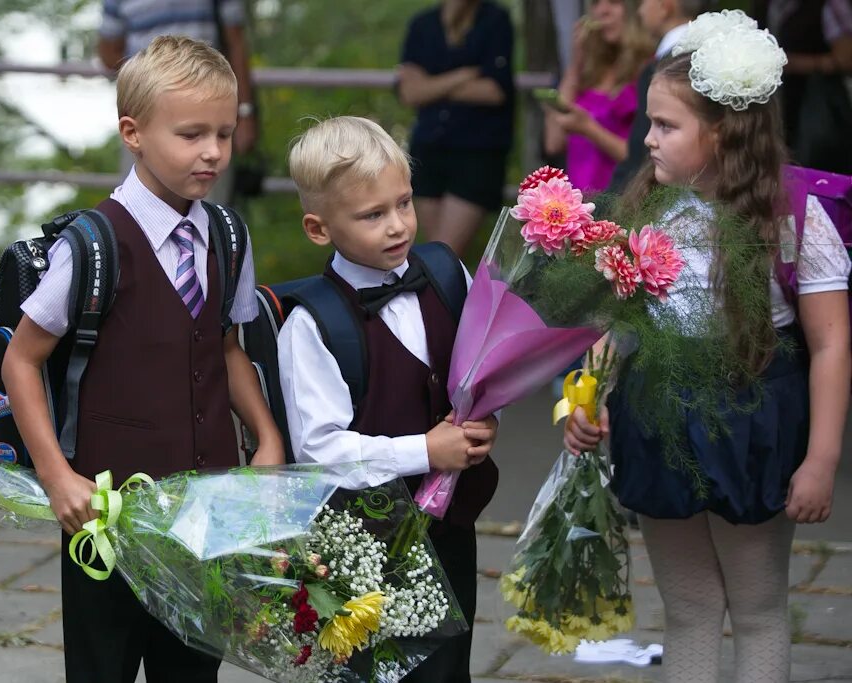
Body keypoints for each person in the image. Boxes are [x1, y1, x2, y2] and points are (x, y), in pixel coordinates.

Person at [565, 17, 850, 683]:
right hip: (657, 418)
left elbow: (832, 342)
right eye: (650, 122)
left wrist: (823, 458)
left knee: (755, 607)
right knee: (688, 605)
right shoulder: (650, 210)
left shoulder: (793, 217)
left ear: (720, 132)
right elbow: (624, 325)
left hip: (751, 419)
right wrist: (585, 397)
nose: (646, 139)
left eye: (665, 125)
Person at [1, 36, 284, 683]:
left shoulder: (228, 236)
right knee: (103, 667)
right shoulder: (94, 245)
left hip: (205, 516)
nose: (212, 151)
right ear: (133, 131)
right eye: (190, 134)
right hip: (106, 517)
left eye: (224, 131)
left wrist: (265, 437)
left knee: (192, 672)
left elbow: (227, 347)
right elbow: (21, 361)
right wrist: (58, 477)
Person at [280, 116, 500, 682]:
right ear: (318, 227)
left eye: (403, 203)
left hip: (450, 529)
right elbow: (320, 449)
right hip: (363, 549)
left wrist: (482, 420)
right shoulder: (313, 325)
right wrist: (425, 451)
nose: (398, 225)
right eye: (373, 215)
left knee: (450, 668)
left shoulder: (448, 273)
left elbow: (482, 367)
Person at [96, 0, 258, 200]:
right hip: (147, 109)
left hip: (207, 107)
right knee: (140, 205)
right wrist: (149, 79)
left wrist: (244, 113)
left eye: (224, 135)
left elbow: (236, 41)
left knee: (207, 207)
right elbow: (108, 52)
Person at [397, 0, 515, 257]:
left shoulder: (494, 20)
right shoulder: (422, 24)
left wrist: (431, 85)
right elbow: (410, 92)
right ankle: (442, 297)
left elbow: (494, 91)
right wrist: (464, 75)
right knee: (434, 254)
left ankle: (439, 296)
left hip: (478, 153)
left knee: (441, 255)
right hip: (428, 149)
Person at [543, 0, 653, 193]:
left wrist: (588, 129)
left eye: (614, 2)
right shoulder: (585, 73)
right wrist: (576, 63)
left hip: (620, 199)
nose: (602, 11)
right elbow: (553, 142)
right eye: (595, 3)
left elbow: (644, 158)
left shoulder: (649, 70)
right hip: (579, 202)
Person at [608, 0, 716, 193]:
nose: (639, 12)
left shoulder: (671, 69)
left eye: (642, 3)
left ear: (665, 6)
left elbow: (638, 159)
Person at [753, 0, 852, 173]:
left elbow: (845, 59)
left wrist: (789, 63)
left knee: (814, 159)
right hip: (776, 102)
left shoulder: (829, 5)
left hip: (814, 103)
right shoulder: (767, 5)